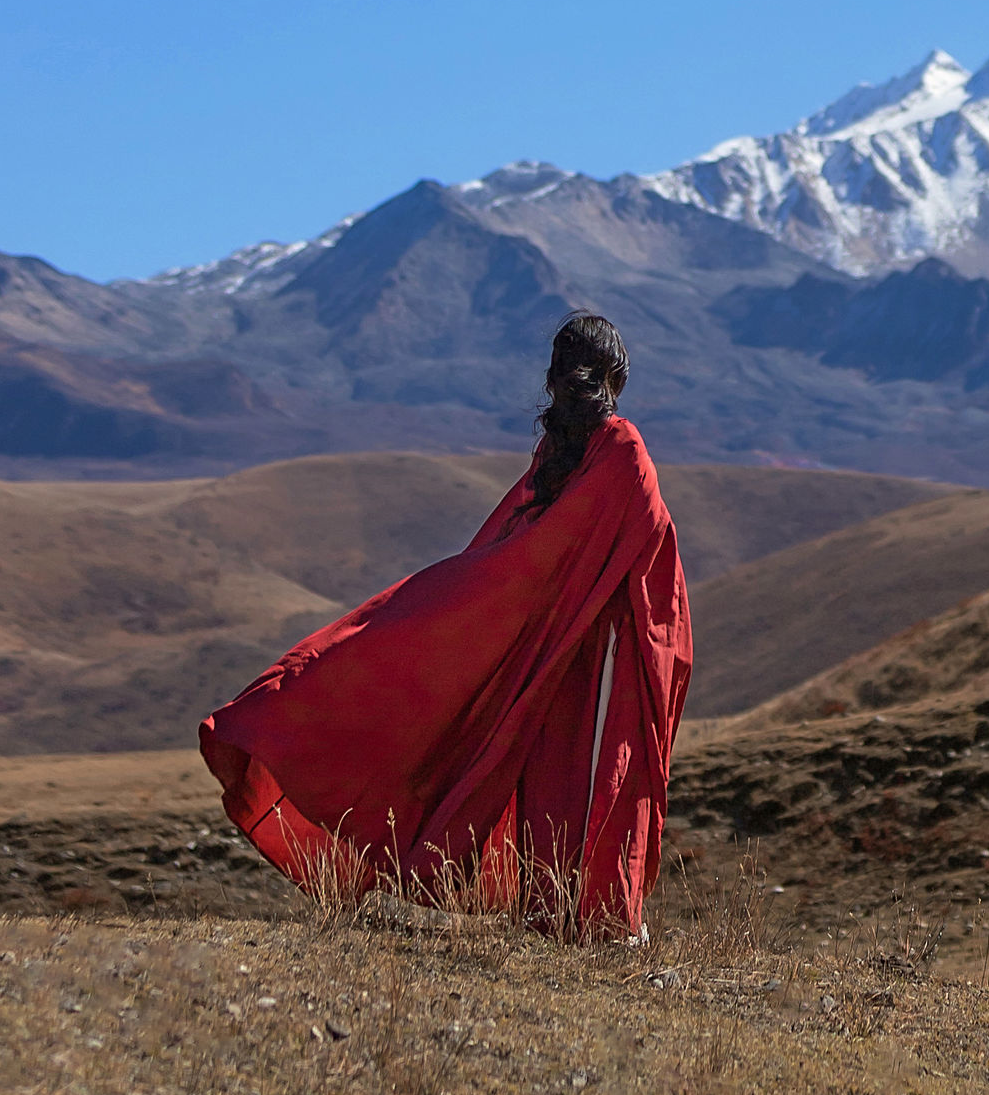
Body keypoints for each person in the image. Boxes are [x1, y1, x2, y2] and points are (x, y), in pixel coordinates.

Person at [200, 311, 691, 934]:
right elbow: (650, 550)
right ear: (616, 375)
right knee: (601, 776)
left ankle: (554, 912)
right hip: (604, 651)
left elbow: (517, 554)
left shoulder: (556, 456)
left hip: (545, 650)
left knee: (549, 774)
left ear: (555, 378)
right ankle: (599, 920)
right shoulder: (621, 449)